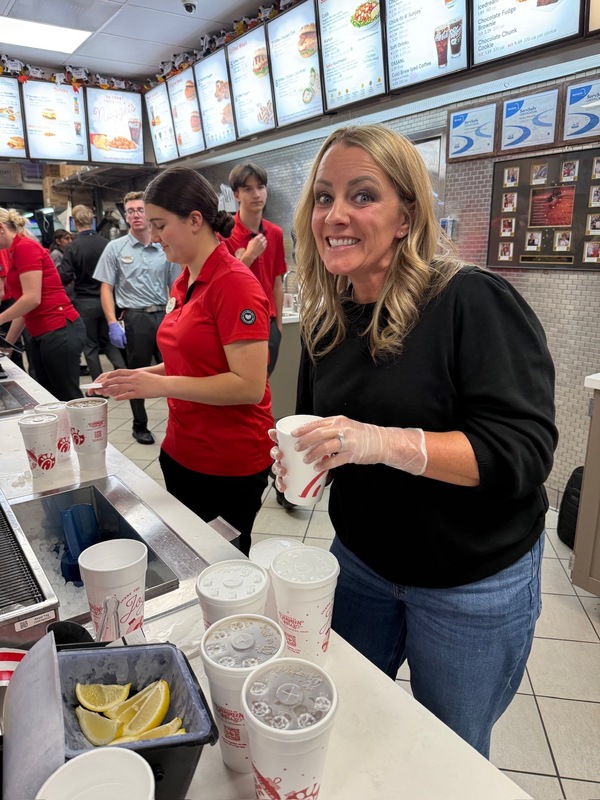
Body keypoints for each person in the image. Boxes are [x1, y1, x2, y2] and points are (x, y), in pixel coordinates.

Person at [270, 124, 558, 758]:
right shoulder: (328, 318)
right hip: (364, 564)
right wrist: (298, 462)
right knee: (346, 723)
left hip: (471, 581)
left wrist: (386, 443)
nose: (335, 215)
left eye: (363, 195)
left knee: (448, 752)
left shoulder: (471, 301)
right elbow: (313, 426)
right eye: (323, 197)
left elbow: (524, 453)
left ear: (406, 215)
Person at [91, 166, 274, 556]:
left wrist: (159, 385)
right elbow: (188, 361)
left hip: (228, 463)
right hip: (182, 450)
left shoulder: (234, 285)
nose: (153, 237)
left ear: (195, 220)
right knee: (190, 552)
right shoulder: (185, 280)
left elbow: (248, 385)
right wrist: (138, 375)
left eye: (159, 225)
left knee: (223, 558)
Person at [223, 162, 292, 508]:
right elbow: (222, 283)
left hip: (267, 325)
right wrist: (247, 257)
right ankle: (264, 467)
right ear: (236, 194)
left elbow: (278, 280)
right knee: (251, 399)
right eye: (248, 188)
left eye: (261, 187)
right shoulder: (225, 236)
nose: (257, 194)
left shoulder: (275, 234)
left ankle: (268, 465)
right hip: (237, 329)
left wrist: (277, 324)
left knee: (260, 397)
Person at [93, 191, 181, 444]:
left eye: (139, 209)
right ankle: (139, 425)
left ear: (148, 212)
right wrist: (112, 323)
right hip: (135, 319)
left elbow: (176, 284)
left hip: (164, 314)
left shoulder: (163, 245)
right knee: (136, 374)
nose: (135, 215)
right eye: (130, 210)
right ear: (125, 215)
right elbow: (106, 288)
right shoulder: (115, 248)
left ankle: (179, 421)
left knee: (175, 370)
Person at [0, 208, 86, 400]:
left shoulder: (25, 247)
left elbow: (32, 299)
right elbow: (25, 309)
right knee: (49, 397)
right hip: (44, 333)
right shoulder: (14, 251)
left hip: (59, 328)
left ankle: (80, 430)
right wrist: (7, 347)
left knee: (67, 397)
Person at [60, 204, 127, 381]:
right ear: (92, 220)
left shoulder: (73, 248)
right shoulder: (107, 244)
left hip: (84, 301)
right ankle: (122, 375)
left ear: (75, 222)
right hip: (108, 300)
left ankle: (100, 387)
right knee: (110, 342)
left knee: (90, 346)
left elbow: (65, 276)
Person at [49, 229, 74, 296]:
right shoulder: (56, 254)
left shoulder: (65, 253)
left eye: (71, 238)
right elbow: (59, 275)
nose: (70, 241)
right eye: (67, 239)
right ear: (58, 241)